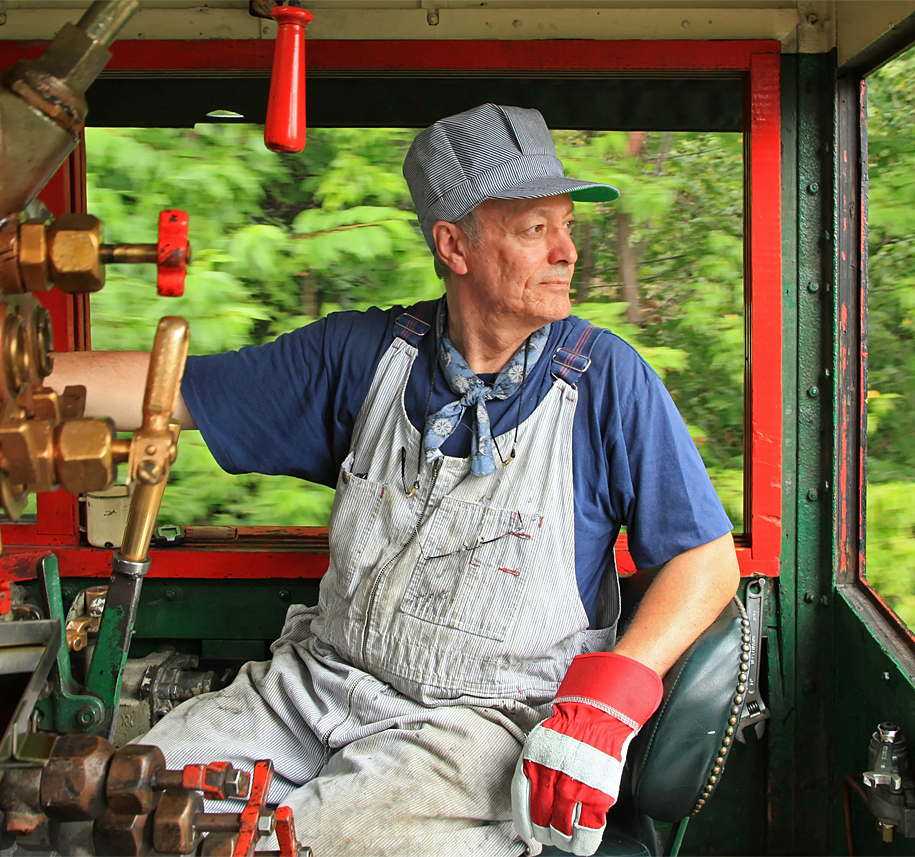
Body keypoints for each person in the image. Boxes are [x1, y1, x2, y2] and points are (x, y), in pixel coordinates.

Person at [48, 104, 740, 856]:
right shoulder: (364, 356)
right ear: (454, 245)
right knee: (120, 809)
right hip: (310, 689)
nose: (567, 252)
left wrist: (613, 692)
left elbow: (707, 562)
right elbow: (172, 387)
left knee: (298, 846)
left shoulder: (604, 380)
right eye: (535, 228)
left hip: (476, 727)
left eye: (567, 226)